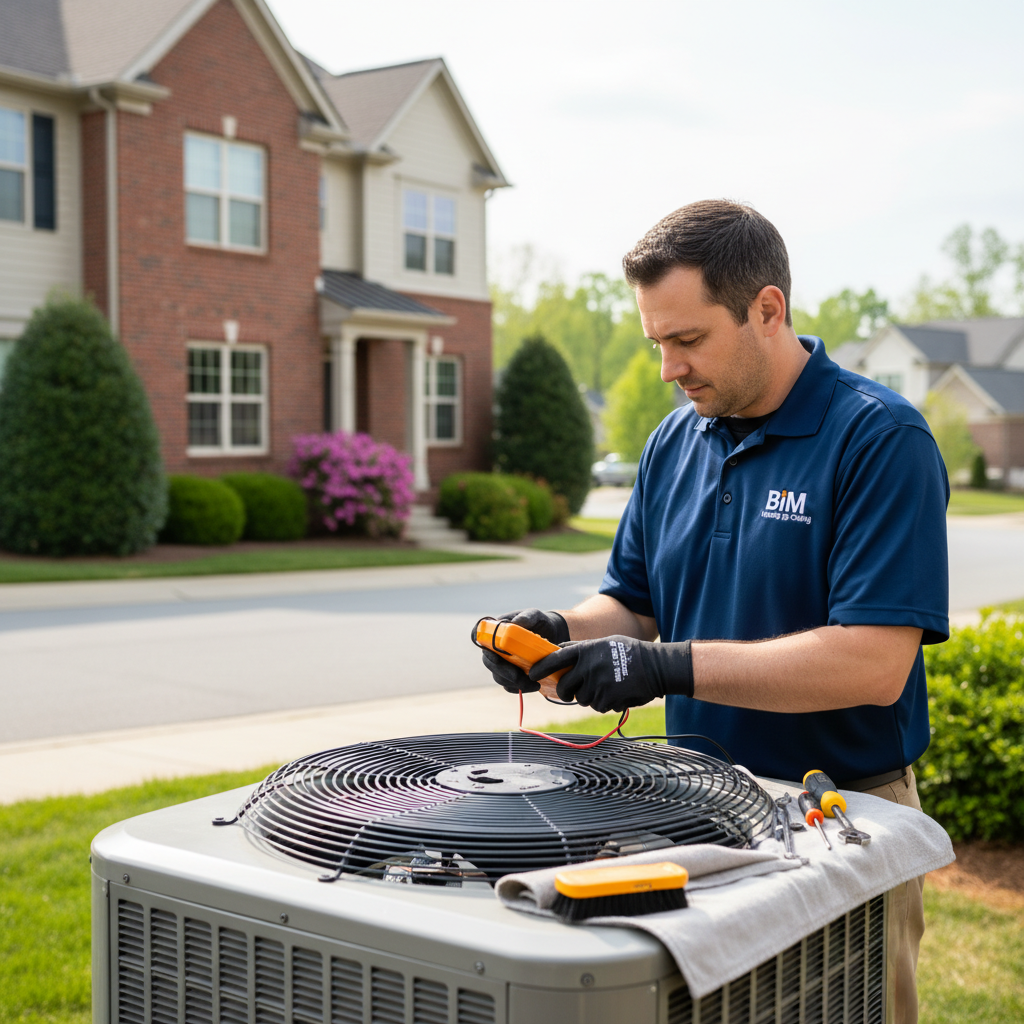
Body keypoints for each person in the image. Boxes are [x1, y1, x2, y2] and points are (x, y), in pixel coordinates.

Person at [481, 200, 948, 1024]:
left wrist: (666, 667)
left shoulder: (879, 438)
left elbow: (875, 665)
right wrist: (562, 632)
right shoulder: (673, 441)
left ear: (767, 310)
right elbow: (633, 603)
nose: (667, 367)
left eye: (687, 340)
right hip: (690, 811)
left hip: (842, 814)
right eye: (655, 342)